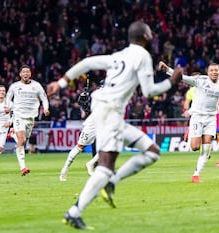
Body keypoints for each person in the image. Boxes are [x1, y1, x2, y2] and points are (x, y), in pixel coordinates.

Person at [47, 21, 183, 229]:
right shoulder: (143, 56)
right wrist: (172, 82)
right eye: (150, 32)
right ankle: (75, 211)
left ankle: (107, 186)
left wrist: (62, 82)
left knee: (152, 152)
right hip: (108, 111)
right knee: (105, 167)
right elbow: (149, 92)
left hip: (107, 111)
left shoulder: (119, 55)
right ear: (145, 36)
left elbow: (86, 63)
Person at [6, 65, 50, 176]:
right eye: (23, 72)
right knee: (21, 140)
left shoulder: (37, 86)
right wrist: (8, 106)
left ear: (30, 74)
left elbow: (44, 98)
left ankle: (13, 134)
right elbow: (8, 98)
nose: (25, 74)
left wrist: (46, 108)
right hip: (18, 116)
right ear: (20, 74)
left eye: (27, 72)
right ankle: (23, 167)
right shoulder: (14, 86)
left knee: (24, 140)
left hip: (31, 118)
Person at [59, 89, 96, 181]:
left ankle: (91, 163)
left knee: (111, 144)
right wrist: (83, 99)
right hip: (93, 124)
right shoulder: (97, 96)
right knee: (80, 147)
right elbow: (87, 108)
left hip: (105, 123)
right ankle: (65, 169)